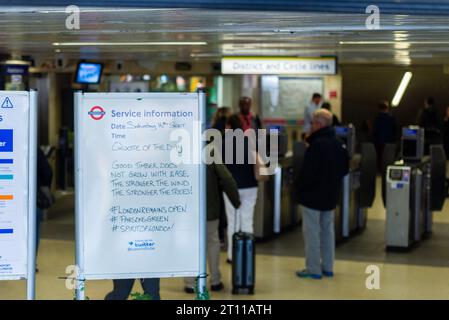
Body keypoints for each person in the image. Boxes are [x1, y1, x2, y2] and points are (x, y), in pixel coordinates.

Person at [295, 109, 349, 279]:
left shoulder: (316, 145)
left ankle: (313, 269)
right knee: (327, 231)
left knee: (312, 233)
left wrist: (300, 188)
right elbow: (345, 168)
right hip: (330, 194)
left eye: (312, 123)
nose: (310, 126)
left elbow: (308, 172)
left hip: (312, 196)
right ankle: (327, 267)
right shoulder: (338, 143)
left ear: (318, 124)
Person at [184, 163, 241, 293]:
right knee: (212, 242)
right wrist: (235, 200)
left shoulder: (182, 150)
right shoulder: (211, 152)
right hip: (209, 209)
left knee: (190, 244)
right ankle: (215, 281)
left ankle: (190, 283)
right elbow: (227, 178)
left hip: (187, 209)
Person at [223, 114, 259, 263]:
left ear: (230, 126)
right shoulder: (249, 141)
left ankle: (232, 255)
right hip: (250, 186)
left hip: (232, 188)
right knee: (247, 220)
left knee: (233, 221)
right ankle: (247, 253)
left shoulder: (224, 144)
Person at [211, 106, 233, 247]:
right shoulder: (231, 134)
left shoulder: (212, 131)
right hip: (228, 172)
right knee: (228, 206)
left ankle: (219, 236)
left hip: (215, 173)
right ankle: (226, 235)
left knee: (217, 206)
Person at [36, 147, 53, 262]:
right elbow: (47, 172)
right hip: (33, 197)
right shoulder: (33, 147)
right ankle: (32, 261)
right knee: (33, 230)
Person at [372, 101, 397, 170]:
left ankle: (379, 169)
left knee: (379, 156)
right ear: (387, 108)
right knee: (388, 157)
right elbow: (394, 130)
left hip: (379, 141)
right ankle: (387, 169)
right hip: (389, 141)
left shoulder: (377, 118)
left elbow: (375, 130)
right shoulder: (391, 118)